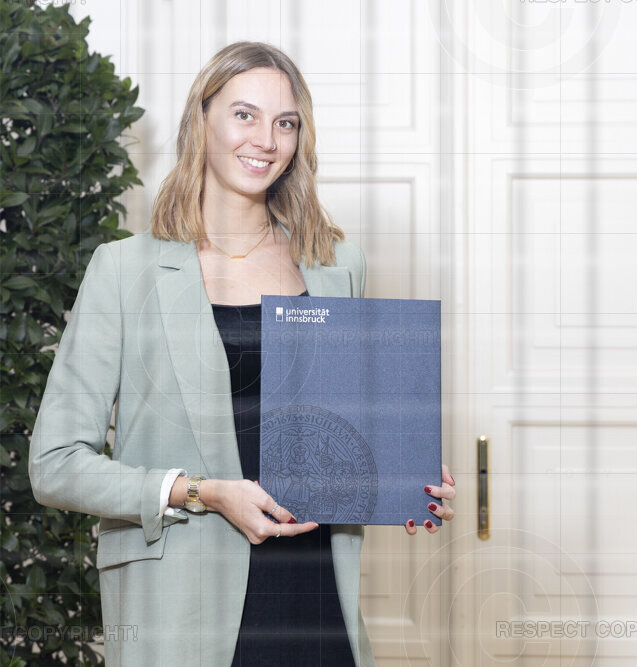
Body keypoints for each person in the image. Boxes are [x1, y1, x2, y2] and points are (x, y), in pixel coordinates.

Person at [28, 41, 456, 666]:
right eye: (244, 115)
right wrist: (200, 491)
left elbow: (337, 434)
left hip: (313, 595)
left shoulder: (336, 265)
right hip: (182, 603)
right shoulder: (124, 270)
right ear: (201, 120)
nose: (266, 140)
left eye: (285, 122)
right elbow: (55, 464)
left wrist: (398, 477)